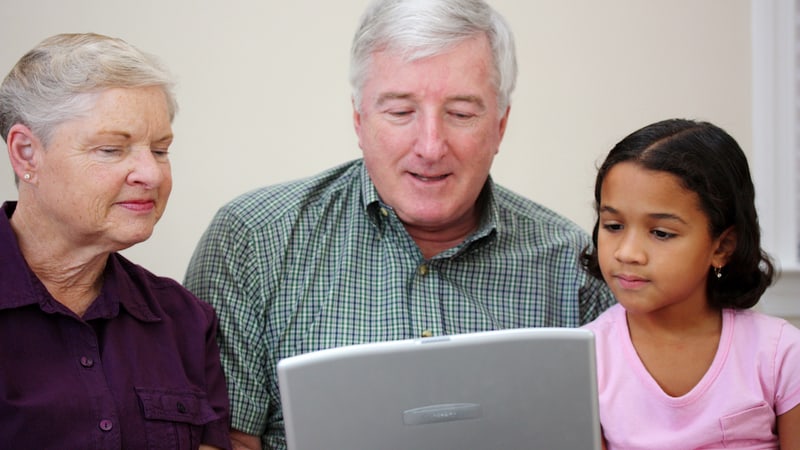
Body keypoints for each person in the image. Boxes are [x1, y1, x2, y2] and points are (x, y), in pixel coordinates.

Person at [184, 0, 615, 448]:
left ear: (501, 126)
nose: (430, 146)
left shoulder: (575, 264)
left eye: (462, 113)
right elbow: (224, 439)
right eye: (400, 111)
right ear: (359, 119)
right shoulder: (253, 240)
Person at [0, 33, 231, 449]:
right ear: (26, 153)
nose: (152, 174)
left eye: (160, 150)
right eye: (111, 149)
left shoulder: (184, 320)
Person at [581, 118, 800, 449]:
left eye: (661, 233)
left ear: (721, 247)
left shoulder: (780, 354)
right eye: (613, 225)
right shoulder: (586, 358)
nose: (628, 253)